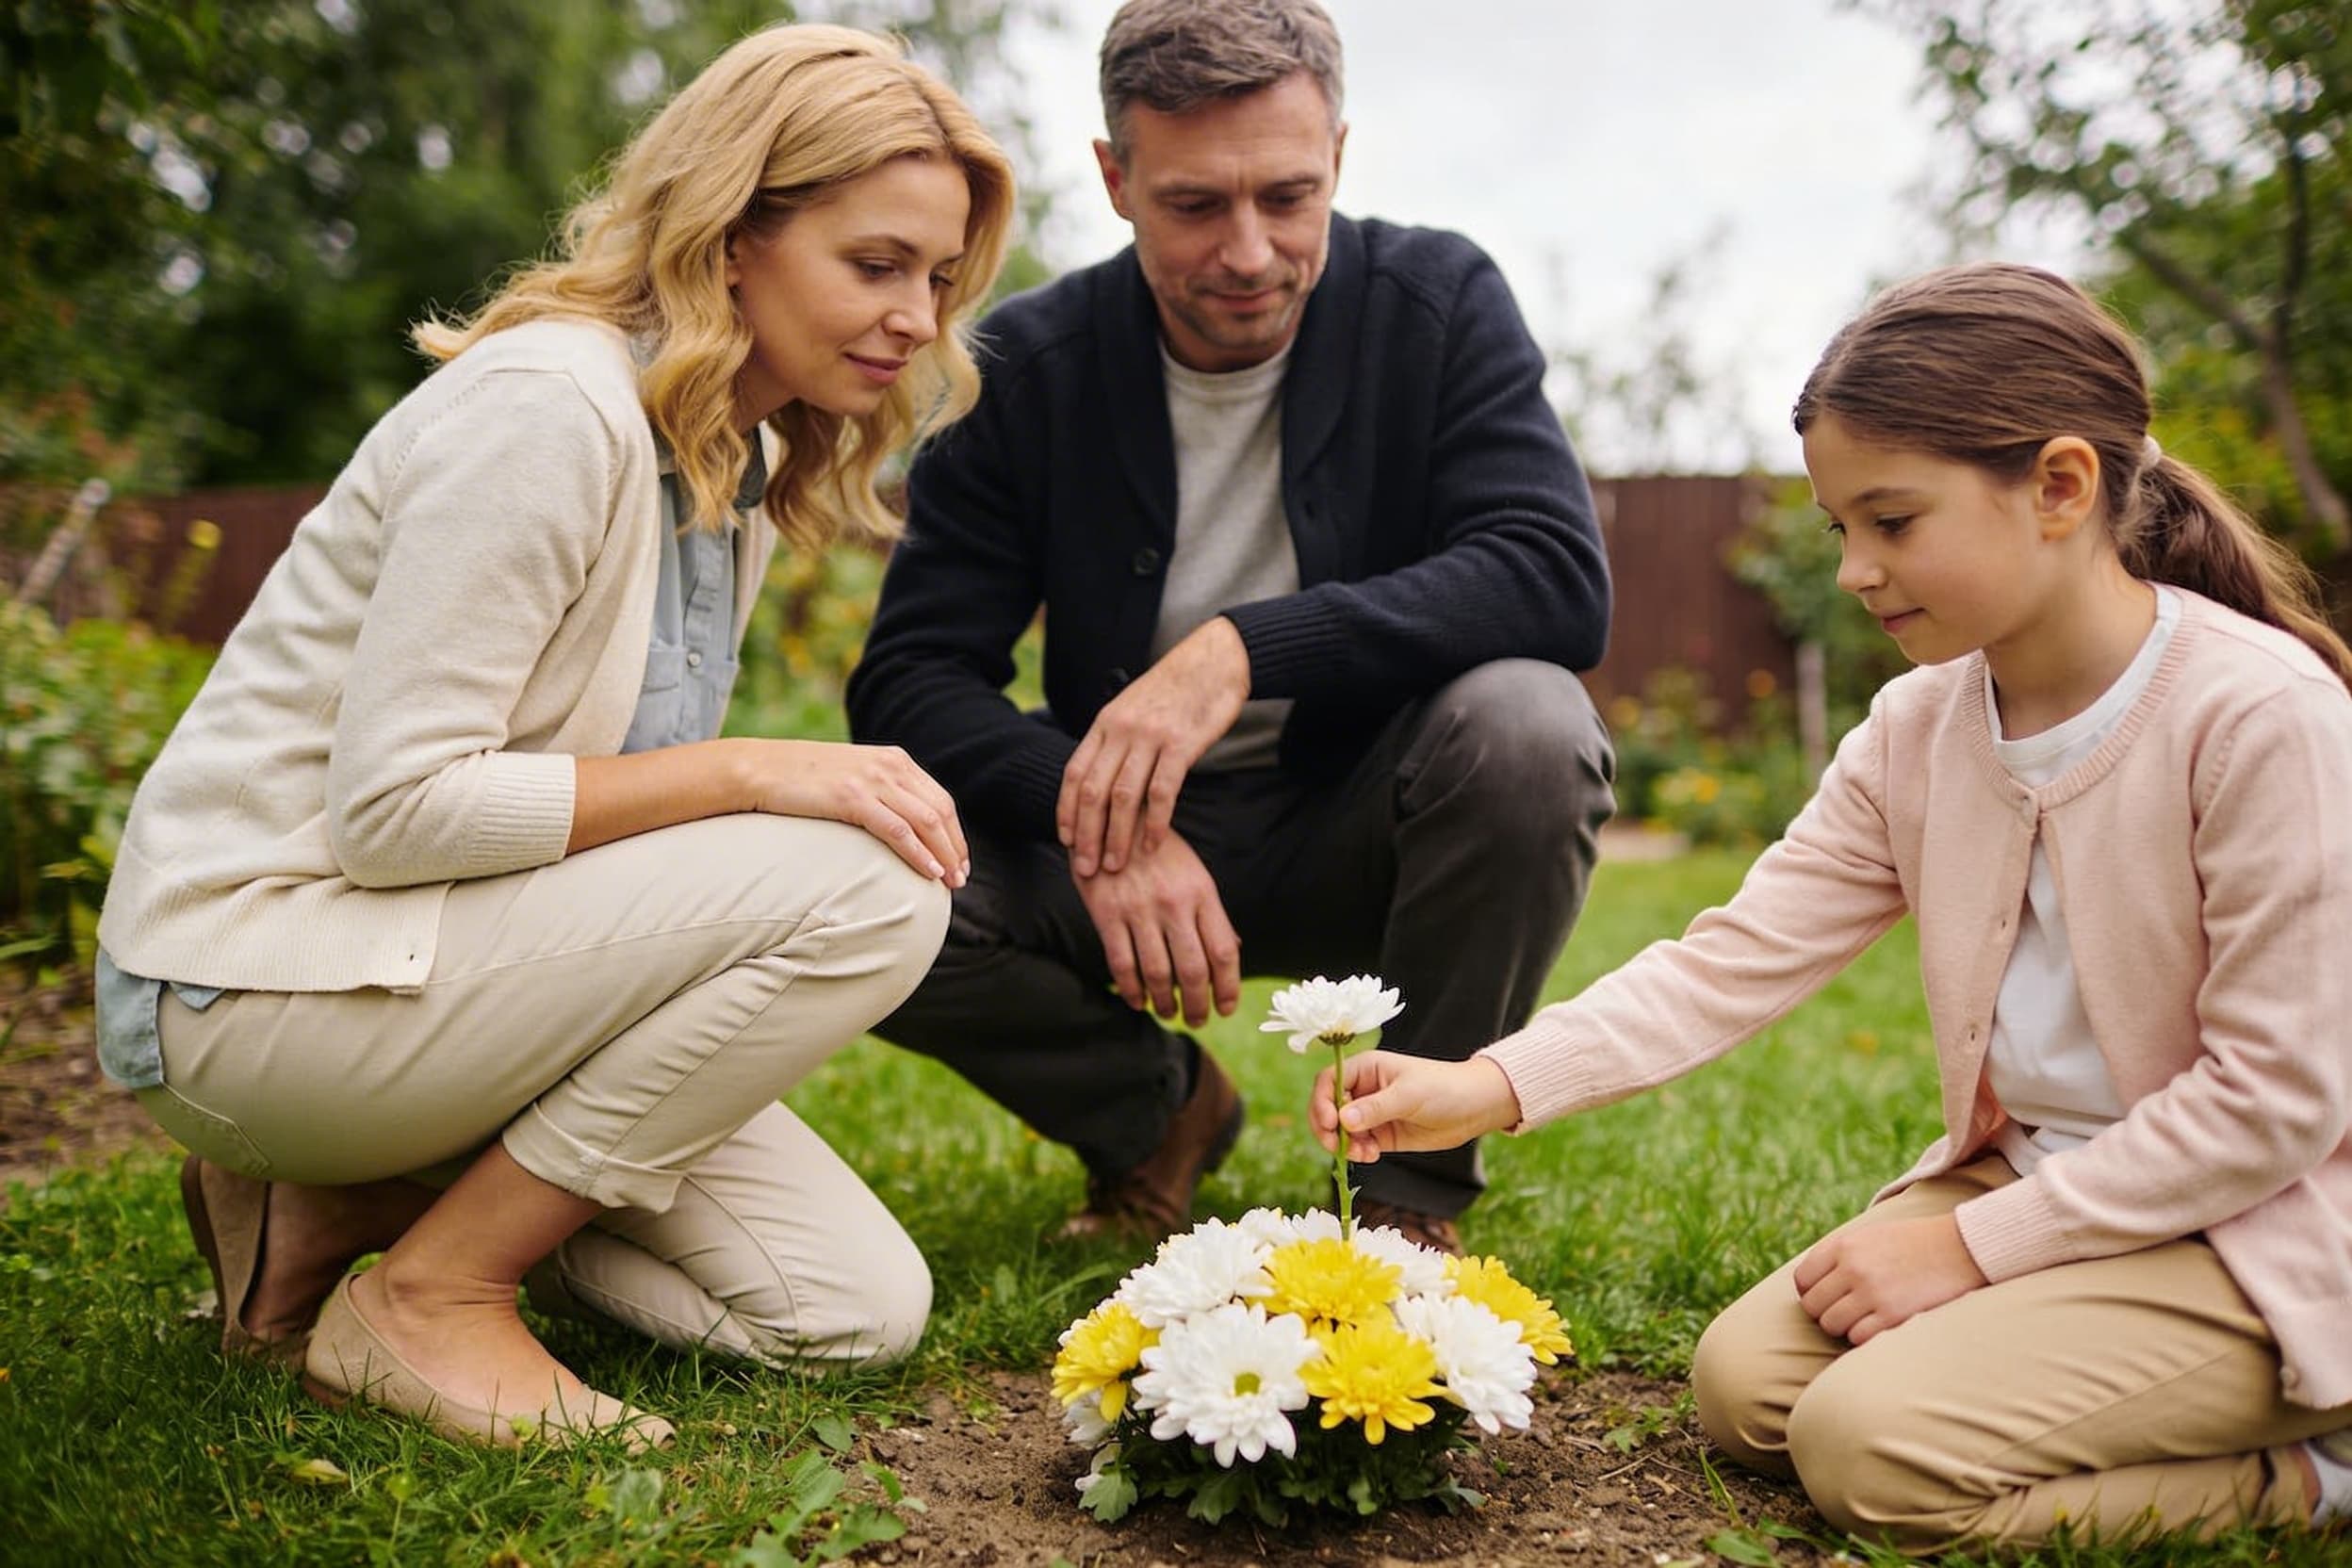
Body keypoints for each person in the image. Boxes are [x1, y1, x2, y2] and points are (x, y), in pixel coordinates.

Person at [1312, 262, 2352, 1549]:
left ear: (2061, 488)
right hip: (2043, 1181)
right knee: (1746, 1390)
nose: (1856, 570)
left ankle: (2315, 1474)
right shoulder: (1922, 726)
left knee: (1873, 1456)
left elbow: (2278, 1103)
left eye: (1893, 522)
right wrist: (1491, 1082)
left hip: (2258, 1233)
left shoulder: (2262, 717)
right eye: (1837, 530)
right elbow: (1732, 960)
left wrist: (1972, 1251)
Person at [93, 24, 1014, 1449]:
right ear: (728, 242)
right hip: (258, 986)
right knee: (875, 882)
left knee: (842, 1312)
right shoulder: (548, 410)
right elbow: (395, 812)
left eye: (940, 279)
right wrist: (756, 773)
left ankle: (351, 1201)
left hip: (435, 977)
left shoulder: (733, 458)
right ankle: (435, 1295)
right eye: (876, 264)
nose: (917, 318)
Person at [843, 0, 1615, 1256]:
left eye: (1289, 198)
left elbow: (1550, 577)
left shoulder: (1439, 301)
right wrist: (1092, 811)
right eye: (1197, 205)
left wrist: (1244, 648)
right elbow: (911, 681)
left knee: (1532, 725)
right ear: (1115, 178)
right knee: (846, 878)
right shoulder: (1023, 366)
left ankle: (1409, 1199)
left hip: (1368, 821)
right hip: (1118, 860)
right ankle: (1154, 1115)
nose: (1250, 252)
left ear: (1341, 160)